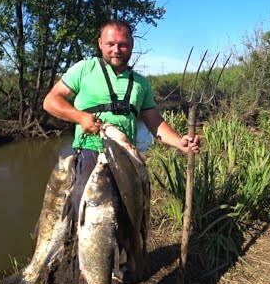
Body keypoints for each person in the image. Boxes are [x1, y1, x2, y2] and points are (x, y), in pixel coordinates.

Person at [43, 19, 200, 220]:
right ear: (100, 43)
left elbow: (154, 121)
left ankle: (131, 252)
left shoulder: (140, 83)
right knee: (88, 222)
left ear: (132, 45)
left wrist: (180, 142)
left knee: (129, 218)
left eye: (123, 44)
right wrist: (80, 116)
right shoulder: (84, 69)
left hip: (127, 158)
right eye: (110, 44)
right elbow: (50, 101)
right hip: (90, 153)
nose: (117, 49)